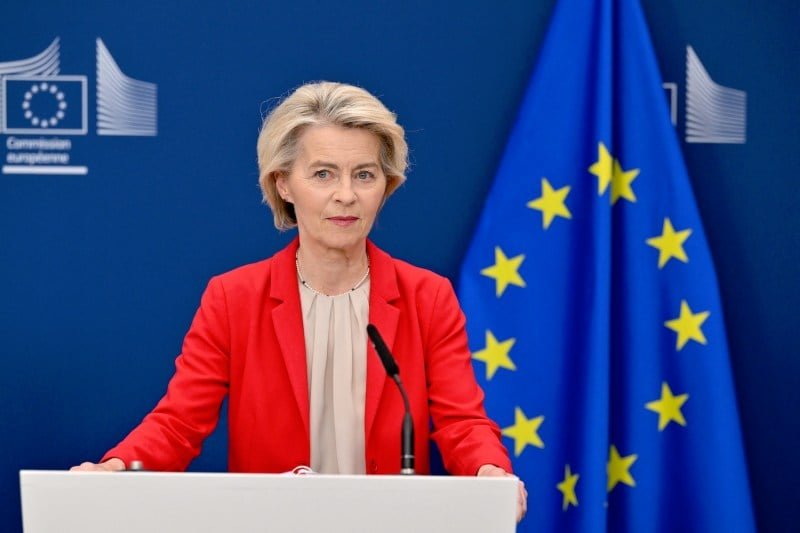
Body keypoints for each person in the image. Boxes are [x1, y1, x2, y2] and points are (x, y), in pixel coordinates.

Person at [71, 81, 527, 521]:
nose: (345, 195)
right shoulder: (234, 298)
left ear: (385, 187)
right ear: (284, 184)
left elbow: (461, 422)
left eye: (364, 175)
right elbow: (179, 425)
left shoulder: (427, 297)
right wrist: (115, 470)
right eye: (323, 173)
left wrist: (490, 472)